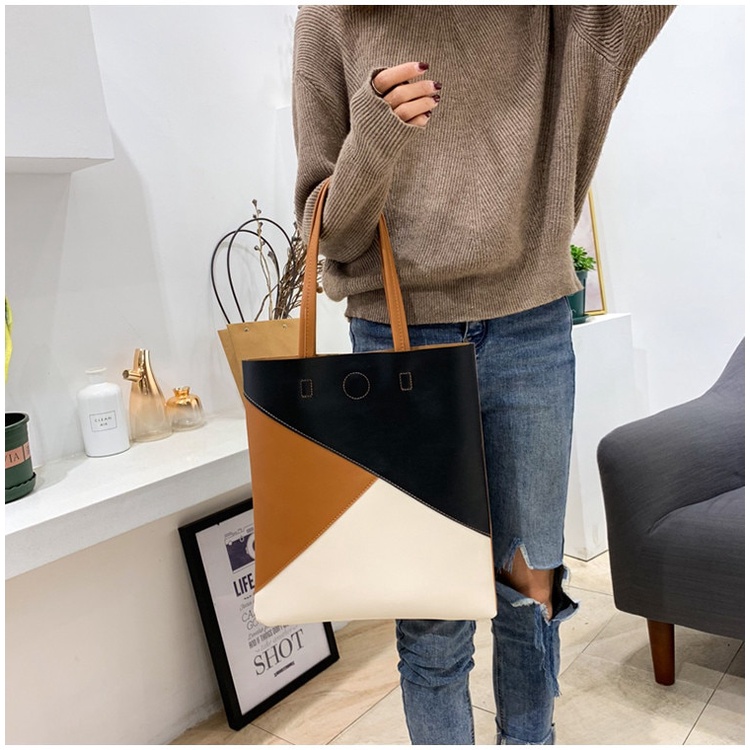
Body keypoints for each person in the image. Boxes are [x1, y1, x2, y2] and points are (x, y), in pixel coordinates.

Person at [292, 6, 673, 745]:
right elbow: (325, 233)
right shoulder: (332, 19)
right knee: (432, 614)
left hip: (530, 327)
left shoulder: (553, 15)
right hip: (398, 343)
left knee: (531, 591)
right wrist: (373, 138)